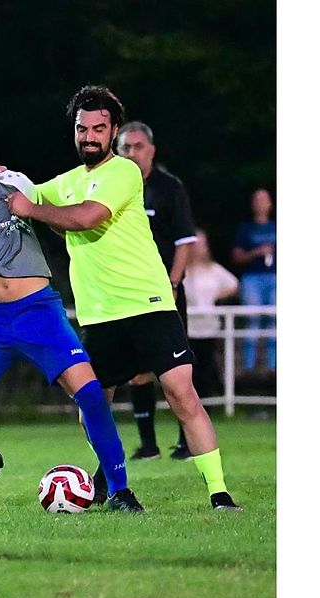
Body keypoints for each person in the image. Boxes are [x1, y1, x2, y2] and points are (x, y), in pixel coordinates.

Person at [3, 85, 242, 510]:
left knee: (181, 393)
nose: (89, 136)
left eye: (98, 128)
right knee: (91, 405)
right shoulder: (69, 181)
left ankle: (219, 493)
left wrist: (31, 208)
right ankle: (113, 485)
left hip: (147, 303)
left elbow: (84, 217)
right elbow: (28, 192)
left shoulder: (124, 172)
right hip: (99, 314)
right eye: (82, 128)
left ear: (113, 131)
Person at [0, 130, 143, 512]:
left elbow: (55, 212)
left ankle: (119, 491)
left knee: (91, 396)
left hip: (38, 311)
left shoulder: (11, 182)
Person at [116, 120, 198, 461]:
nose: (131, 153)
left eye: (137, 147)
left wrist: (174, 283)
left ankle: (185, 442)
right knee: (135, 369)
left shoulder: (168, 188)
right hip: (126, 291)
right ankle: (147, 445)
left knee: (177, 369)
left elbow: (184, 241)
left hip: (164, 291)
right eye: (125, 148)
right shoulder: (112, 186)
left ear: (151, 150)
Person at [183, 229, 240, 403]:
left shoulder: (214, 269)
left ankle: (207, 405)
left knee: (207, 368)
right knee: (190, 371)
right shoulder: (183, 270)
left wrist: (215, 297)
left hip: (209, 327)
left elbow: (234, 284)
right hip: (189, 328)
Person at [231, 188, 276, 372]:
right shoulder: (245, 229)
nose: (260, 203)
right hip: (252, 278)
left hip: (275, 277)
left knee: (275, 319)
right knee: (252, 319)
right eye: (257, 199)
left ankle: (274, 368)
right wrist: (256, 253)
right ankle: (249, 369)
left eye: (263, 199)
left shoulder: (277, 227)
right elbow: (236, 256)